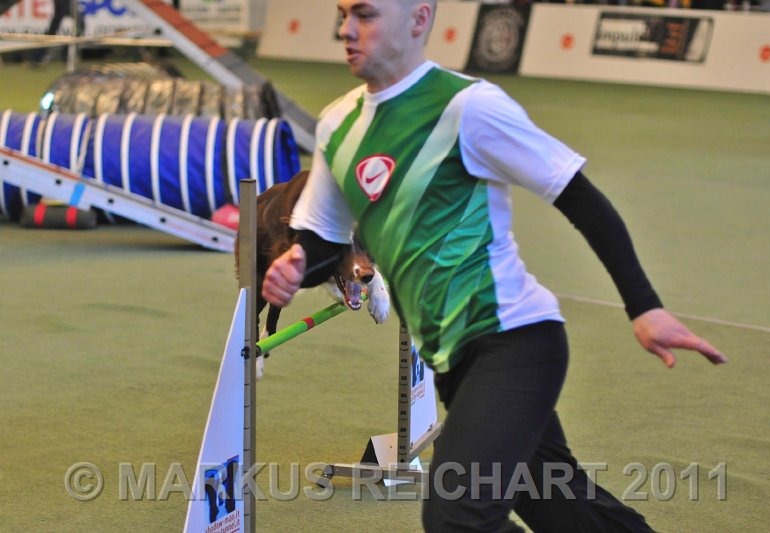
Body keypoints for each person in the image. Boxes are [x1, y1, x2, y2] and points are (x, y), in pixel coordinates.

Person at [262, 0, 727, 531]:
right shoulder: (337, 124)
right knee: (561, 504)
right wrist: (297, 265)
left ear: (419, 19)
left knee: (456, 518)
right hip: (452, 360)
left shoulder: (468, 107)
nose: (346, 29)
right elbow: (322, 241)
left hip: (515, 342)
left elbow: (578, 197)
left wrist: (644, 307)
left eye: (365, 15)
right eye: (343, 14)